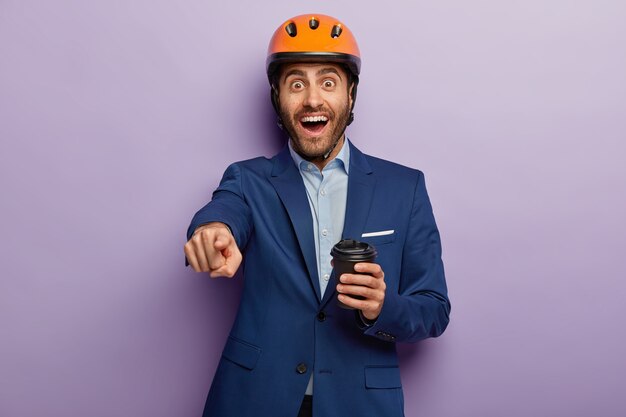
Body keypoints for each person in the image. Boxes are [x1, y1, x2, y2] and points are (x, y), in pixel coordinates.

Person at [184, 14, 450, 417]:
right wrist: (212, 231)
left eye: (328, 82)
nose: (312, 99)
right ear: (278, 97)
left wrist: (381, 306)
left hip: (360, 404)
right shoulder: (248, 179)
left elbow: (434, 308)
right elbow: (223, 213)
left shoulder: (405, 187)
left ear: (351, 95)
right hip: (254, 399)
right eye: (296, 84)